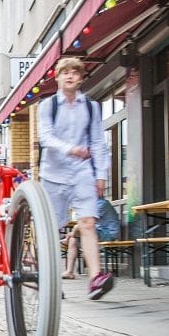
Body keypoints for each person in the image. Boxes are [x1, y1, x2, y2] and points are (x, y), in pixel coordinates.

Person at [38, 56, 113, 299]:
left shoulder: (91, 107)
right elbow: (45, 137)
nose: (69, 76)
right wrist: (70, 149)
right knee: (52, 229)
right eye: (65, 72)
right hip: (53, 175)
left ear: (81, 78)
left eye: (74, 72)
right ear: (57, 77)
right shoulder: (48, 105)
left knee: (88, 223)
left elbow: (98, 142)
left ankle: (95, 279)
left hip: (82, 172)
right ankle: (49, 280)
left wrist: (101, 175)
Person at [62, 197, 120, 279]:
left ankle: (67, 239)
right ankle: (69, 272)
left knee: (77, 228)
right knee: (73, 239)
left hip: (109, 233)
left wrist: (73, 231)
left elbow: (88, 221)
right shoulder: (93, 204)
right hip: (100, 230)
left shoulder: (101, 203)